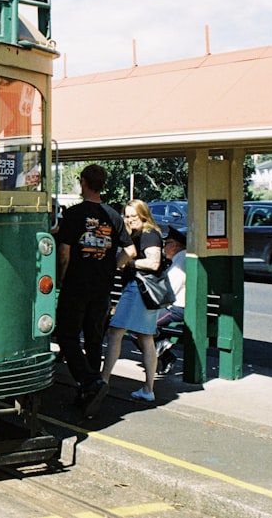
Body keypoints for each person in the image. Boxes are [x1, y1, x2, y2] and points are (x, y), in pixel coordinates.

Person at [55, 164, 134, 418]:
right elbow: (130, 251)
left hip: (76, 283)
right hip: (103, 286)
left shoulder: (75, 214)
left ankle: (90, 382)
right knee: (93, 339)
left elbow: (65, 251)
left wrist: (61, 278)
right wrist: (112, 265)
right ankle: (87, 394)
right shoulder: (114, 216)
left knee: (67, 336)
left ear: (83, 182)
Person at [101, 199, 164, 403]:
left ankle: (103, 380)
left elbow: (154, 263)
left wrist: (130, 262)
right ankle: (148, 388)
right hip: (145, 292)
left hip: (138, 289)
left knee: (115, 332)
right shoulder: (139, 234)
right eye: (127, 216)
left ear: (143, 215)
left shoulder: (149, 234)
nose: (129, 219)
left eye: (134, 216)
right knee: (146, 338)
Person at [155, 225, 187, 375]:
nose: (163, 248)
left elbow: (169, 292)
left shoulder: (180, 262)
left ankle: (166, 354)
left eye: (165, 244)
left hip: (176, 309)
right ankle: (163, 346)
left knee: (138, 325)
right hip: (173, 307)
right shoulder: (179, 259)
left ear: (174, 245)